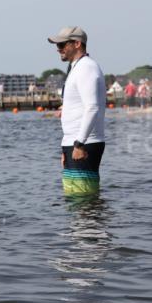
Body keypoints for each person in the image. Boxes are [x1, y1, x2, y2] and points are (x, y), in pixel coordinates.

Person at [47, 26, 105, 195]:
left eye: (62, 45)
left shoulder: (86, 67)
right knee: (74, 198)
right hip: (73, 143)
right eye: (57, 45)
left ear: (77, 44)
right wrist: (66, 147)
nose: (58, 49)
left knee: (83, 199)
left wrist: (79, 144)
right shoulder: (77, 67)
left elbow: (92, 107)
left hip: (84, 143)